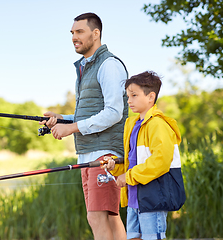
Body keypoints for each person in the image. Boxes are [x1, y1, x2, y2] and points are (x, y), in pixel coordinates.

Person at [40, 12, 128, 240]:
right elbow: (89, 114)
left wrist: (72, 128)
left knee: (99, 216)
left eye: (79, 32)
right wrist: (62, 119)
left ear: (95, 33)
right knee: (106, 215)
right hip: (89, 153)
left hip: (105, 152)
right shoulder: (85, 68)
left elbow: (114, 112)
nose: (73, 37)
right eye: (72, 33)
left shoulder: (109, 65)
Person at [103, 71, 186, 239]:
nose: (129, 100)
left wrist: (129, 176)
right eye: (128, 96)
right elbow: (133, 159)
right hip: (135, 198)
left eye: (134, 95)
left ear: (151, 97)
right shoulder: (133, 125)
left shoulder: (157, 124)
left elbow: (160, 161)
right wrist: (116, 167)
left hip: (154, 197)